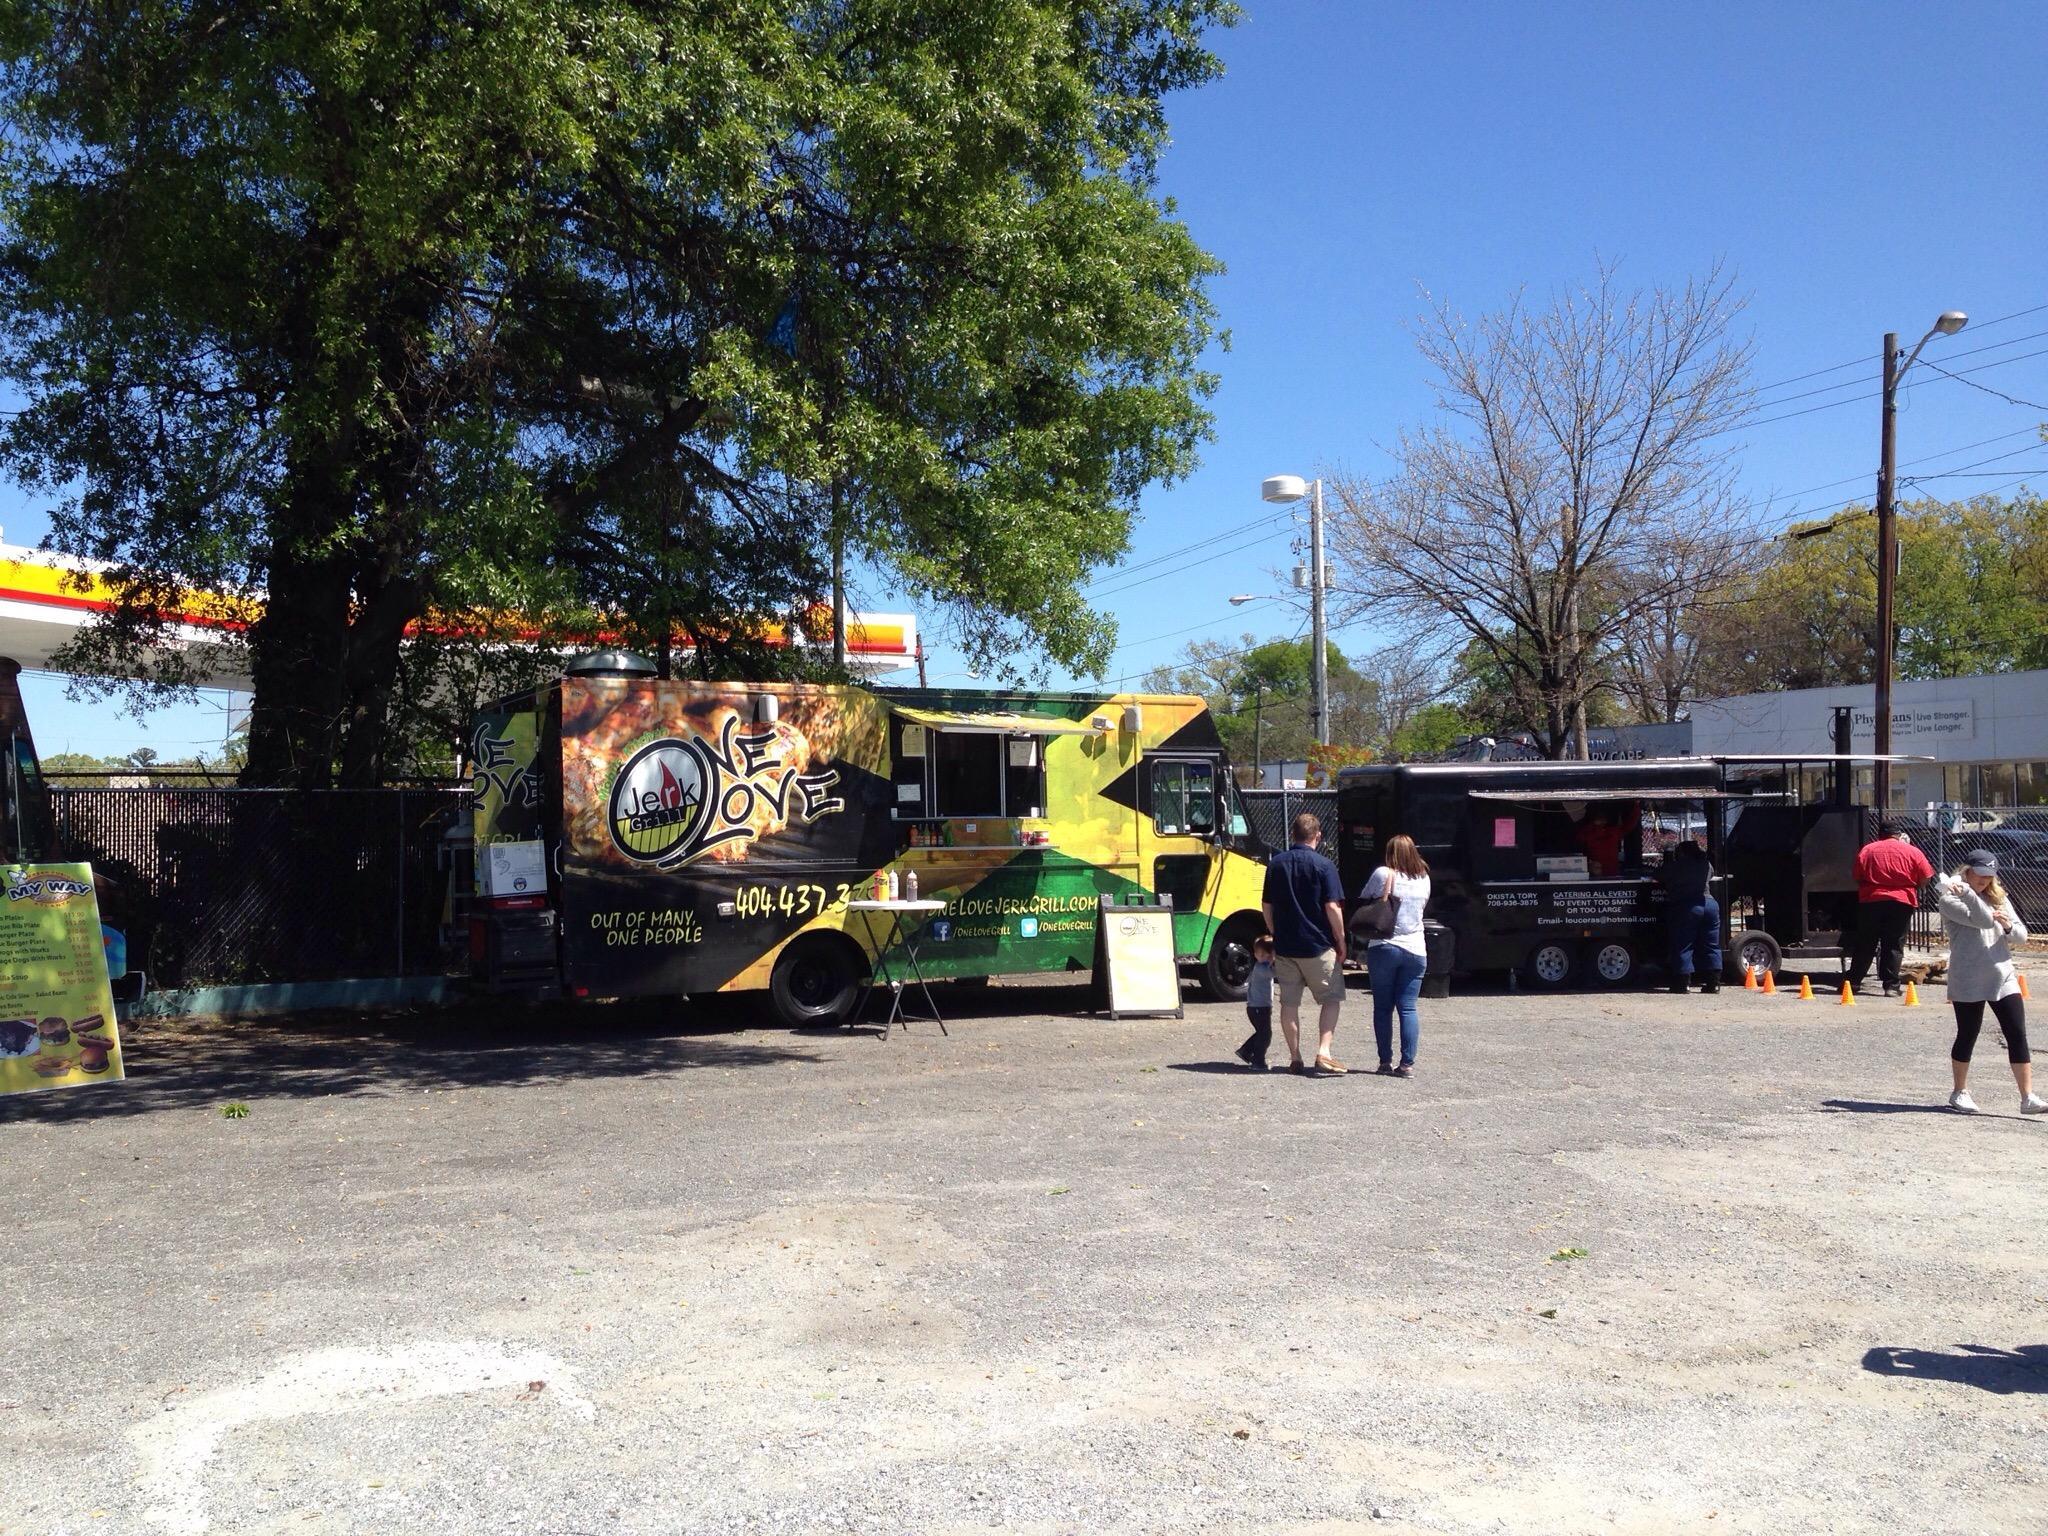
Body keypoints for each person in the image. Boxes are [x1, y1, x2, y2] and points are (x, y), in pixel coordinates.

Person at [1935, 850, 2047, 1116]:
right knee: (1968, 1034)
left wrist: (2008, 926)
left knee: (2017, 1034)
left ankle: (2027, 1096)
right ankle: (1959, 1091)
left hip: (2002, 975)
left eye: (1990, 876)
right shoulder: (1949, 898)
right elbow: (1983, 920)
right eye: (1980, 875)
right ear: (1968, 871)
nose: (1984, 881)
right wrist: (1967, 894)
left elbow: (2021, 935)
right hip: (1969, 977)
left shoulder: (2000, 897)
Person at [1260, 811, 1348, 1075]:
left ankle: (1295, 1057)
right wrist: (1341, 940)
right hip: (1318, 945)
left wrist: (1275, 931)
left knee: (1289, 1004)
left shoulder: (1276, 864)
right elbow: (1332, 906)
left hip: (1286, 946)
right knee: (1331, 999)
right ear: (1318, 836)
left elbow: (1266, 905)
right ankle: (1324, 1051)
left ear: (1293, 834)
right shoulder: (1324, 866)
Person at [1359, 835, 1431, 1076]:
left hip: (1384, 945)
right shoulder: (1424, 878)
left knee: (1382, 1007)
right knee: (1408, 1007)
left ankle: (1384, 1062)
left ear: (1390, 853)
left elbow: (1364, 897)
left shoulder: (1383, 873)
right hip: (1416, 948)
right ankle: (1407, 1064)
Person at [1847, 819, 1934, 996]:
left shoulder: (1868, 850)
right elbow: (1926, 876)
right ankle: (1891, 986)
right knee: (1894, 943)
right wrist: (1913, 887)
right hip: (1902, 901)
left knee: (1866, 942)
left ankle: (1853, 983)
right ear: (1898, 834)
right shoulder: (1912, 851)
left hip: (1872, 899)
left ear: (1880, 834)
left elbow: (1857, 876)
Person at [1657, 837, 1721, 993]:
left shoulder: (1677, 865)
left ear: (1682, 853)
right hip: (1710, 905)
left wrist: (1668, 860)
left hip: (1688, 906)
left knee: (1683, 944)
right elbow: (1710, 875)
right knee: (1711, 945)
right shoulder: (1706, 864)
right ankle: (1714, 984)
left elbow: (1659, 874)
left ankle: (1682, 983)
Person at [1234, 934, 1276, 1071]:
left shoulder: (1261, 965)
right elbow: (1277, 973)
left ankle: (1245, 1051)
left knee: (1262, 1032)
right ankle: (1258, 1061)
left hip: (1257, 1007)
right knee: (1265, 1034)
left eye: (1267, 955)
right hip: (1259, 1007)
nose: (1263, 958)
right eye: (1260, 955)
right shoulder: (1262, 968)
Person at [1575, 806, 1624, 878]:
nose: (1601, 820)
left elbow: (1630, 824)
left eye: (1603, 818)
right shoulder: (1587, 832)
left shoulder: (1613, 832)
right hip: (1595, 872)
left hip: (1612, 873)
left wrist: (1636, 805)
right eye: (1599, 817)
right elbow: (1579, 837)